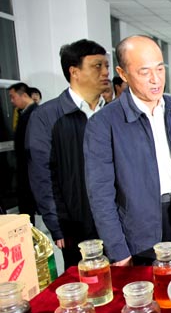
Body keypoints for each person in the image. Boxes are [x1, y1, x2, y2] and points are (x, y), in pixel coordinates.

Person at [84, 35, 171, 267]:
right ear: (123, 73)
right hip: (139, 228)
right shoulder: (104, 123)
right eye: (144, 72)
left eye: (160, 69)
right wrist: (117, 250)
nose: (155, 79)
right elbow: (100, 195)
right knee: (147, 288)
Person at [26, 39, 110, 269]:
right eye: (97, 66)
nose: (105, 72)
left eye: (106, 66)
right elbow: (43, 175)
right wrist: (56, 223)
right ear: (74, 72)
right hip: (76, 222)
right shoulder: (48, 117)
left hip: (116, 219)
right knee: (86, 280)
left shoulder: (112, 113)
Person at [9, 82, 38, 225]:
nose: (11, 101)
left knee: (28, 207)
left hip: (30, 170)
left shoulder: (35, 114)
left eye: (13, 97)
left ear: (24, 95)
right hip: (25, 169)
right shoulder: (24, 113)